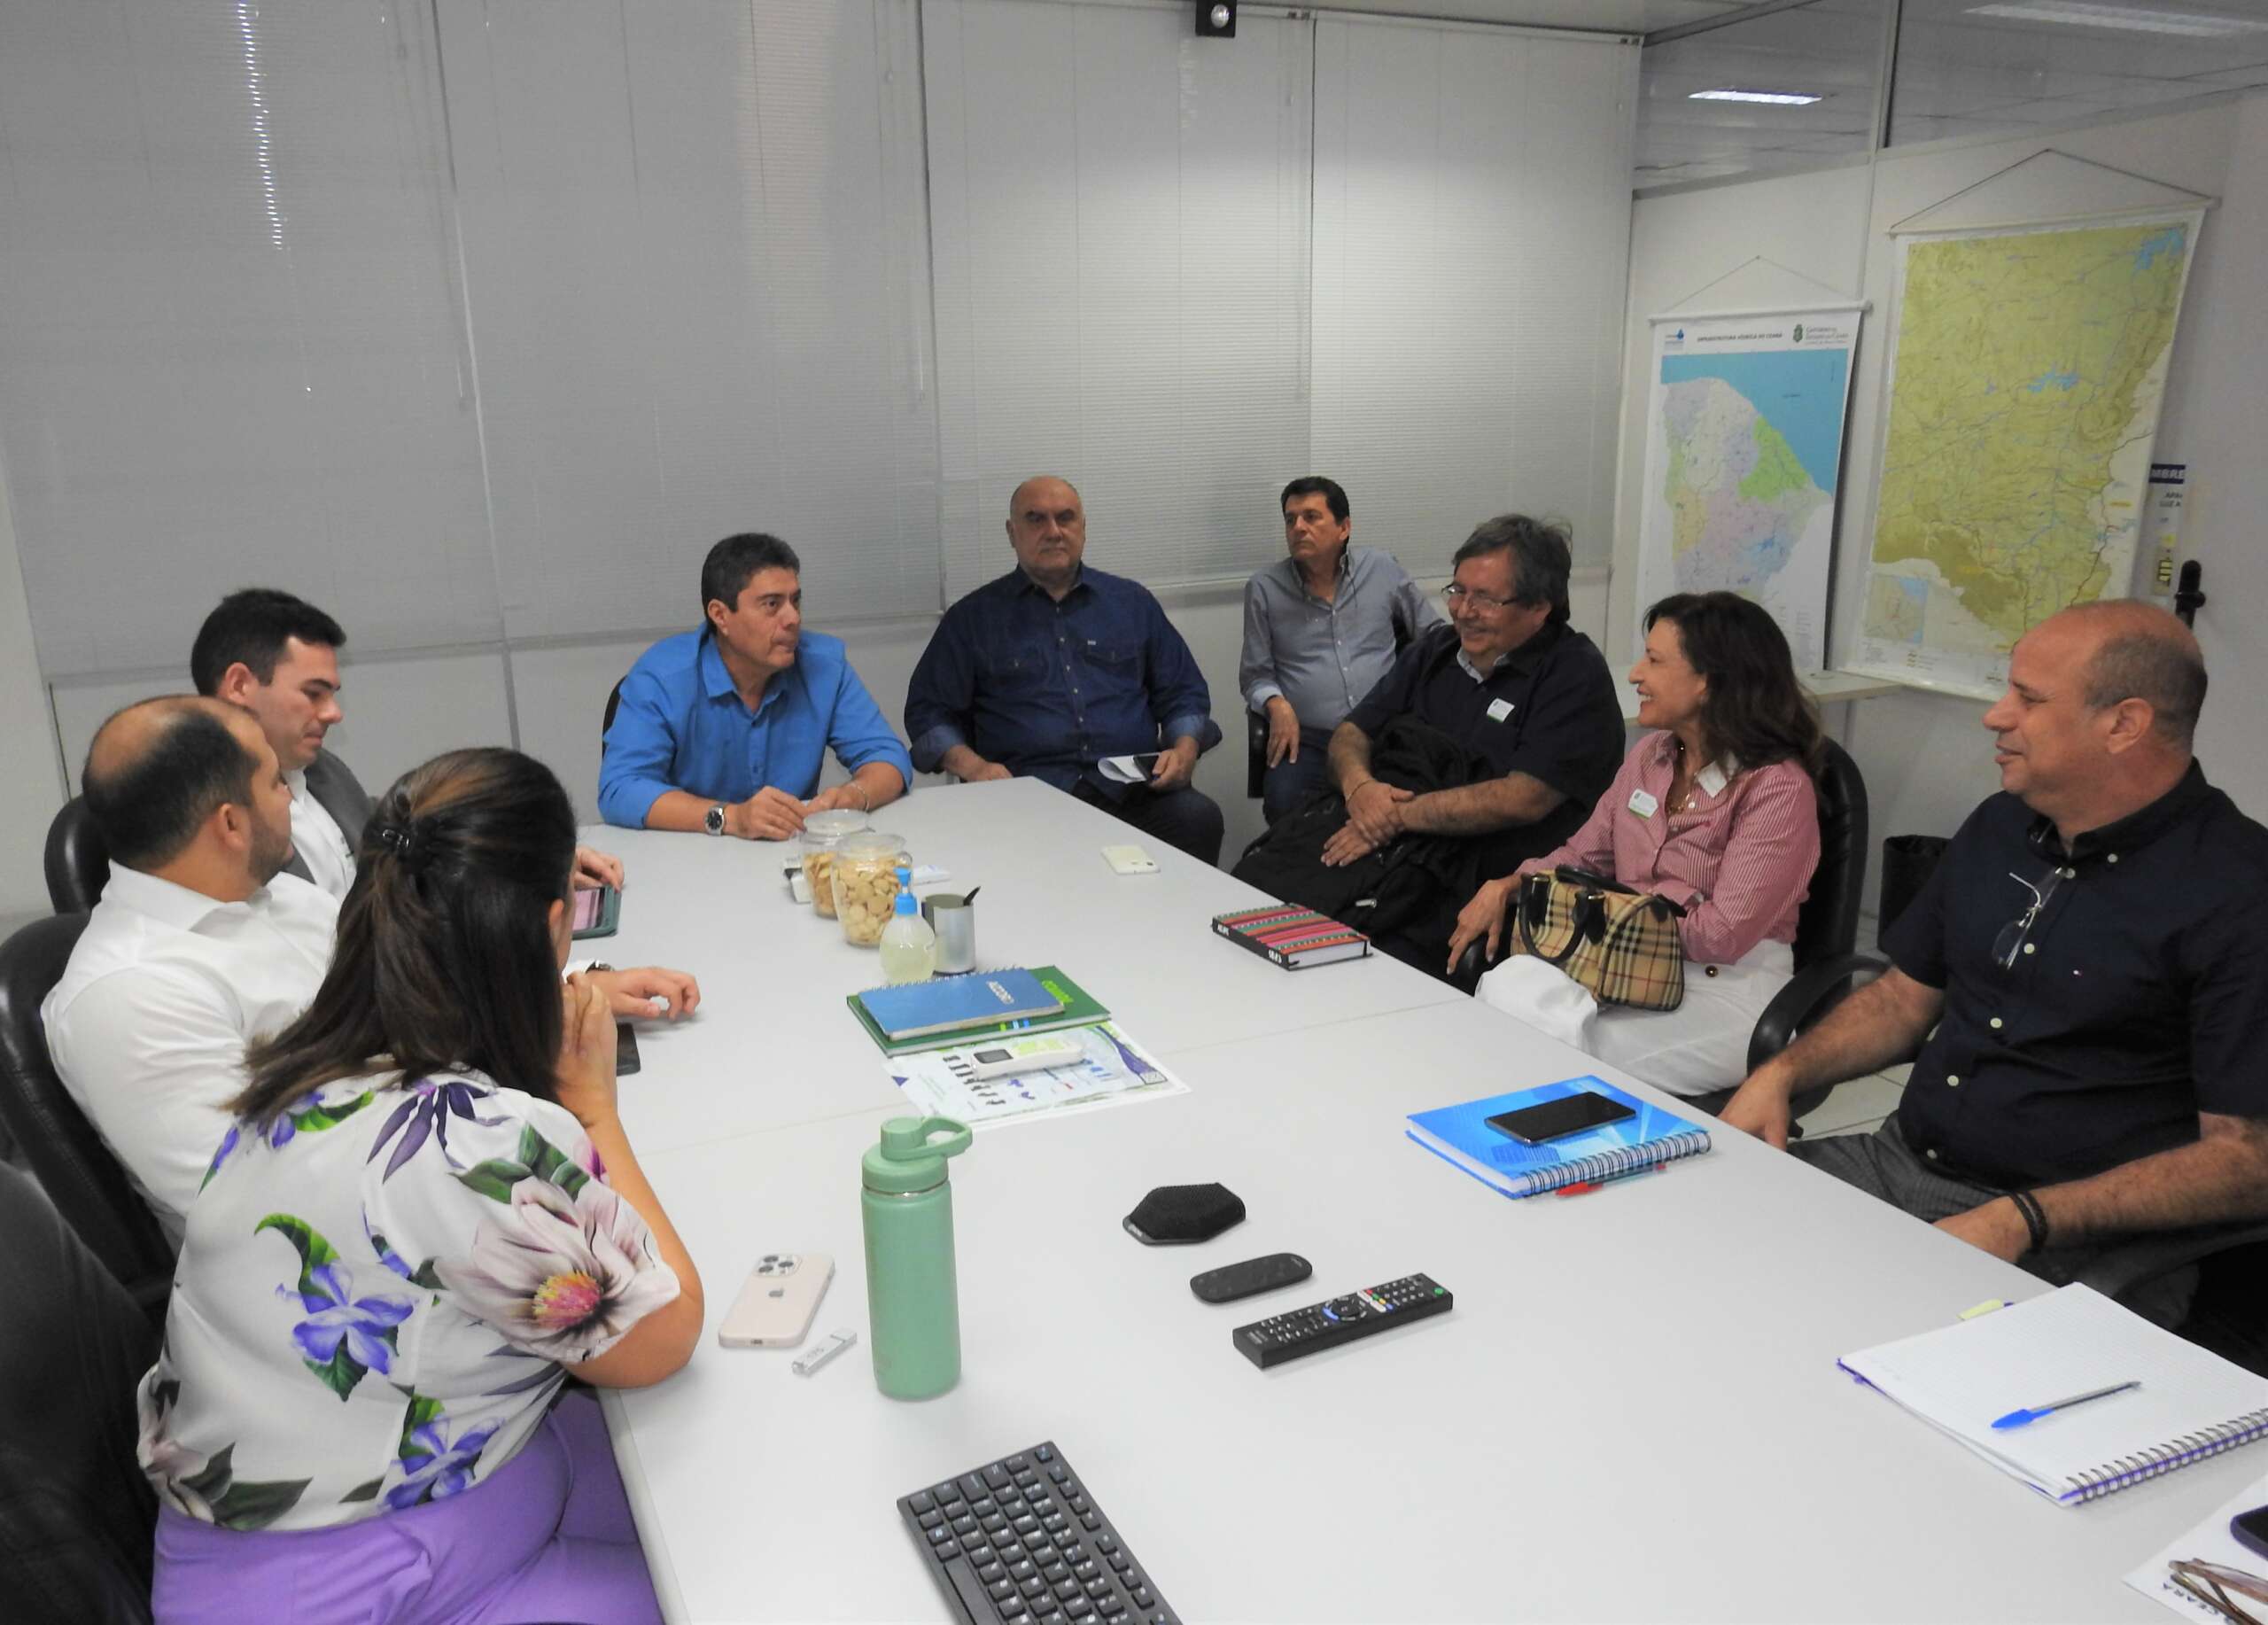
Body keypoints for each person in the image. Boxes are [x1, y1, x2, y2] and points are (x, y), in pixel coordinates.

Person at [140, 747, 702, 1623]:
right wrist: (594, 1112)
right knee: (739, 1576)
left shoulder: (309, 1064)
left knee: (693, 1486)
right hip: (364, 1586)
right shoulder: (476, 1142)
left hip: (318, 1525)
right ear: (553, 923)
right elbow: (660, 1338)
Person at [1718, 602, 2268, 1325]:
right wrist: (1780, 1075)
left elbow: (2247, 1161)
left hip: (2074, 1234)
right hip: (1900, 1165)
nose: (1995, 717)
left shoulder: (2239, 891)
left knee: (1854, 1361)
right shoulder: (2001, 826)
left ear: (2123, 725)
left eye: (2028, 699)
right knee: (1696, 1240)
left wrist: (2023, 1218)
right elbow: (1901, 1001)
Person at [42, 696, 697, 1245]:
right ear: (231, 824)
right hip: (373, 1265)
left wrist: (559, 986)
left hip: (443, 1153)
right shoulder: (126, 997)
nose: (293, 802)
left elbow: (411, 990)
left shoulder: (279, 895)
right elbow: (259, 1210)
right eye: (276, 783)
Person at [1449, 593, 1821, 1093]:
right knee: (1507, 986)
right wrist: (1511, 884)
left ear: (1709, 681)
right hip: (1623, 960)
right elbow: (1582, 856)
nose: (1634, 674)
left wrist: (1617, 917)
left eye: (1655, 660)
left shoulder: (1776, 787)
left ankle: (1547, 1158)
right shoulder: (1651, 757)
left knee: (1565, 1052)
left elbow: (1722, 935)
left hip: (1726, 988)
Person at [1231, 514, 1624, 980]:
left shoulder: (1574, 676)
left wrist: (1392, 817)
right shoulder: (1436, 649)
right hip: (1377, 840)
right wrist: (1361, 791)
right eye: (1458, 591)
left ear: (1539, 607)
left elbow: (1523, 798)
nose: (1463, 610)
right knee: (1251, 897)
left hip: (1469, 875)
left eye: (1486, 599)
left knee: (1342, 961)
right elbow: (1352, 734)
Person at [193, 587, 625, 896]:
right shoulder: (199, 827)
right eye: (313, 693)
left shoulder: (322, 772)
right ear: (239, 685)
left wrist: (534, 858)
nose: (333, 713)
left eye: (332, 695)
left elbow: (413, 836)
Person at [905, 475, 1226, 864]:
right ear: (1012, 532)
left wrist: (1184, 749)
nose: (1053, 531)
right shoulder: (972, 619)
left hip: (1134, 794)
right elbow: (927, 713)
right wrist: (973, 767)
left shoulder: (1132, 604)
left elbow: (1184, 692)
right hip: (1024, 796)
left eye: (1065, 518)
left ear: (1083, 527)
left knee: (1199, 818)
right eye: (1036, 519)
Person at [599, 533, 913, 841]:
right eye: (772, 604)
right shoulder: (662, 677)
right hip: (689, 857)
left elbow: (888, 757)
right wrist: (732, 818)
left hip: (789, 854)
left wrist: (854, 796)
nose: (793, 618)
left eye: (795, 601)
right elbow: (620, 789)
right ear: (720, 615)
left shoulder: (823, 665)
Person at [1239, 476, 1443, 825]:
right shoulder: (1264, 588)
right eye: (1290, 520)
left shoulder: (1381, 569)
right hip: (1309, 741)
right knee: (1287, 811)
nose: (1298, 528)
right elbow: (1255, 674)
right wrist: (1277, 705)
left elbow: (1434, 636)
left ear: (1344, 527)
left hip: (1385, 732)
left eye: (1311, 517)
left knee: (1413, 808)